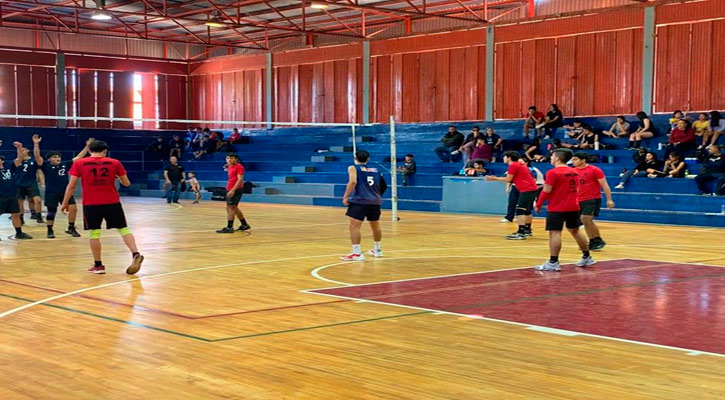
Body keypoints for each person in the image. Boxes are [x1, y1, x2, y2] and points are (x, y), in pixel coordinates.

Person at [61, 140, 144, 275]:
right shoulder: (114, 162)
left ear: (89, 150)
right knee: (123, 229)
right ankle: (135, 253)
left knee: (94, 233)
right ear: (105, 151)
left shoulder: (79, 163)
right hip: (112, 201)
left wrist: (65, 202)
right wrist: (117, 176)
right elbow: (127, 183)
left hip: (91, 203)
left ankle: (98, 265)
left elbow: (71, 186)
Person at [533, 149, 594, 271]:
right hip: (573, 206)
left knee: (555, 233)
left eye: (552, 156)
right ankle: (587, 256)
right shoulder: (575, 172)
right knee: (575, 231)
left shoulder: (552, 172)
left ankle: (553, 262)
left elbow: (546, 190)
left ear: (557, 158)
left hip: (557, 207)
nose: (550, 158)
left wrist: (538, 203)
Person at [33, 134, 92, 238]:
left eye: (58, 156)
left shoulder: (65, 164)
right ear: (49, 159)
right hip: (51, 192)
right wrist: (36, 144)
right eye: (54, 157)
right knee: (52, 212)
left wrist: (87, 146)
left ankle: (71, 228)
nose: (58, 158)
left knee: (73, 208)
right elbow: (37, 157)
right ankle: (50, 230)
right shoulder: (46, 166)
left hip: (65, 192)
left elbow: (79, 157)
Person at [340, 150, 387, 261]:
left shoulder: (353, 168)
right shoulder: (376, 170)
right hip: (375, 201)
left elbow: (353, 182)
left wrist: (346, 196)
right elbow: (384, 185)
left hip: (360, 201)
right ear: (368, 159)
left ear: (355, 158)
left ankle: (357, 253)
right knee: (375, 226)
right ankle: (378, 250)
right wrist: (375, 195)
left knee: (354, 226)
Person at [486, 151, 539, 239]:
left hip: (527, 189)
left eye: (505, 157)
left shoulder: (513, 165)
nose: (504, 158)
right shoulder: (520, 164)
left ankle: (521, 233)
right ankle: (527, 230)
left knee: (520, 210)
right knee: (527, 210)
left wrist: (494, 178)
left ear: (509, 158)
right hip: (531, 189)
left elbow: (508, 179)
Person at [571, 152, 615, 251]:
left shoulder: (594, 170)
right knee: (586, 221)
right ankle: (595, 240)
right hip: (578, 199)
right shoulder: (572, 171)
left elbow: (604, 185)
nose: (573, 161)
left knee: (585, 218)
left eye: (575, 159)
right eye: (573, 159)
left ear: (583, 160)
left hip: (592, 198)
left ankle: (596, 240)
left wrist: (609, 199)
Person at [216, 154, 251, 233]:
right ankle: (244, 224)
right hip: (229, 188)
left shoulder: (239, 167)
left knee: (230, 208)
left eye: (231, 158)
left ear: (236, 159)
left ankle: (229, 227)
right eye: (228, 158)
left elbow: (240, 180)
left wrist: (233, 190)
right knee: (233, 207)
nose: (229, 160)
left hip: (236, 189)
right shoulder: (230, 166)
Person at [10, 141, 44, 224]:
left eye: (23, 150)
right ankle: (21, 218)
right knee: (19, 202)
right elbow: (18, 159)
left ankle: (38, 216)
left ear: (28, 151)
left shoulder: (33, 161)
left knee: (37, 200)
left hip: (31, 183)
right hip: (18, 184)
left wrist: (42, 182)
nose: (22, 151)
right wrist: (19, 147)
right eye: (20, 150)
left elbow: (39, 170)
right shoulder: (17, 161)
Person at [0, 155, 32, 240]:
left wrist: (19, 148)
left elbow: (19, 159)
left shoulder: (8, 167)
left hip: (11, 195)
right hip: (1, 196)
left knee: (15, 214)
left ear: (2, 161)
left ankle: (19, 233)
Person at [502, 158, 544, 223]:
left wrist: (494, 178)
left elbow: (534, 181)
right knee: (512, 202)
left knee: (523, 208)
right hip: (516, 186)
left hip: (528, 188)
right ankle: (509, 217)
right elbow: (509, 178)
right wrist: (507, 187)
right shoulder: (515, 167)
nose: (519, 163)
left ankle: (524, 225)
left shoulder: (532, 170)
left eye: (521, 162)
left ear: (526, 163)